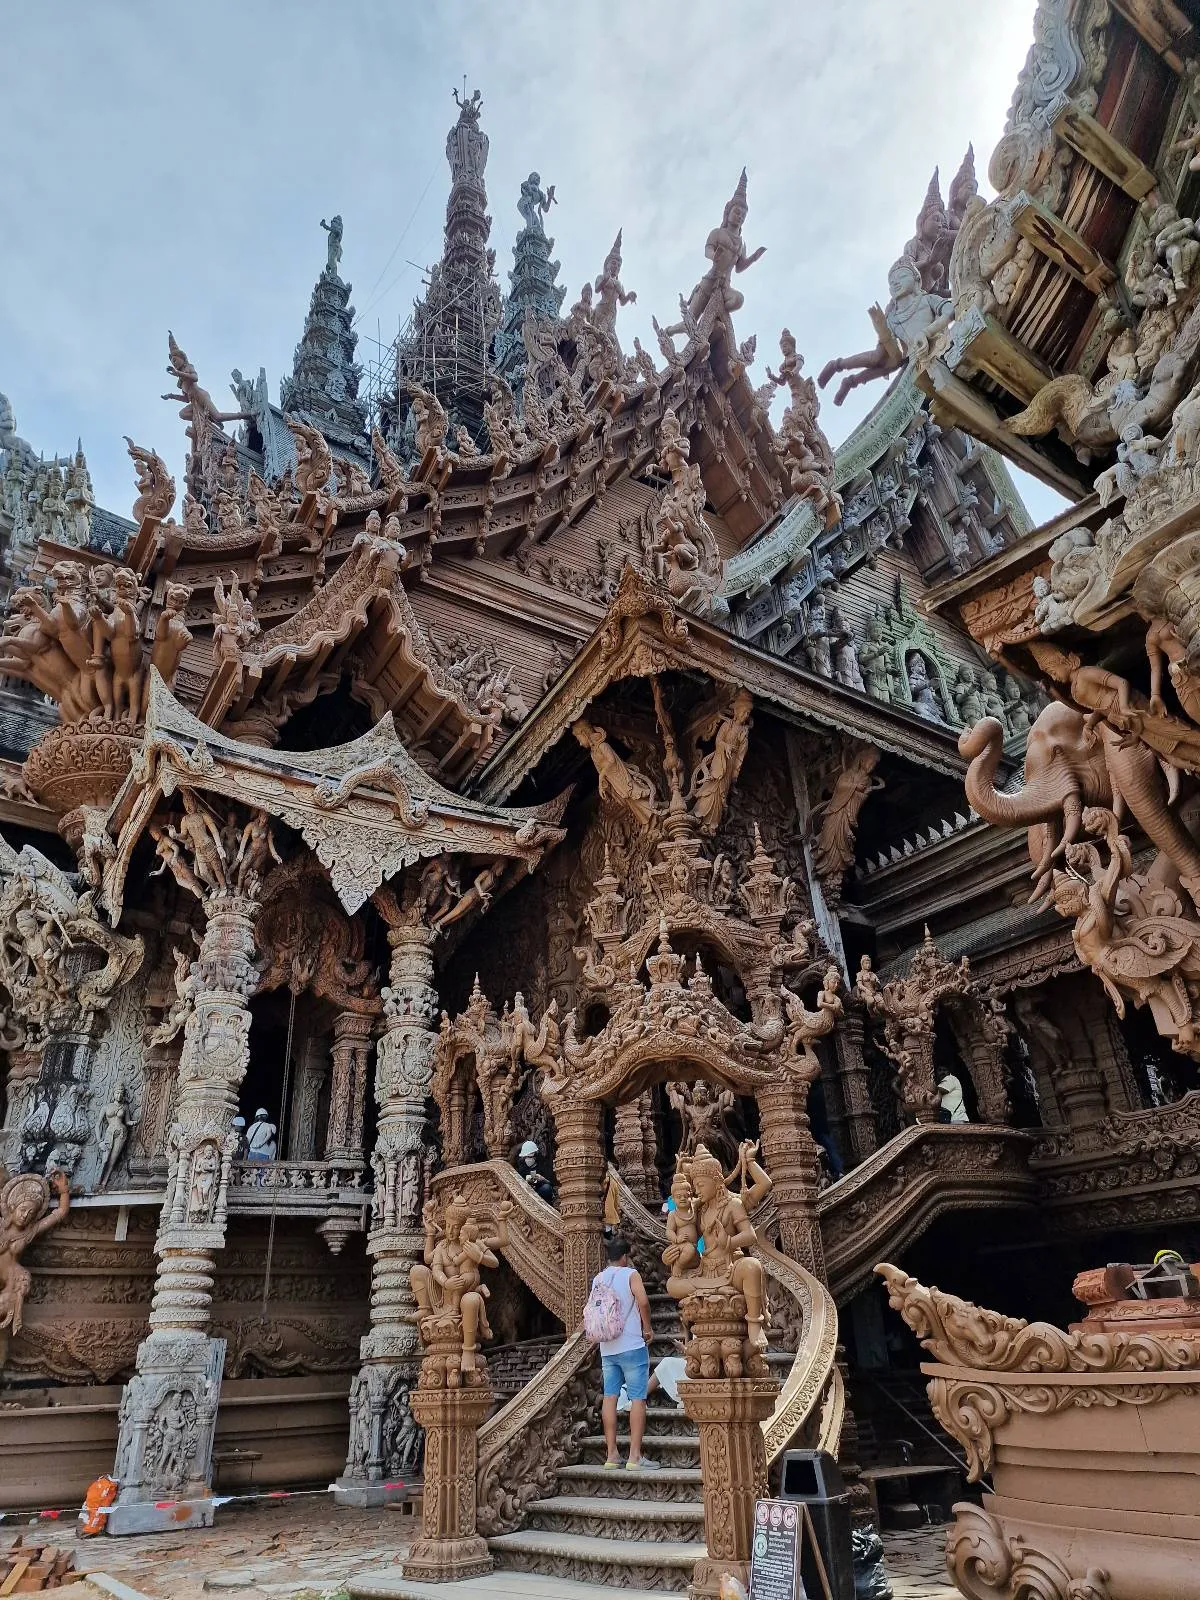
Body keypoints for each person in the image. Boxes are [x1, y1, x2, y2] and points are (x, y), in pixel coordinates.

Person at [592, 1237, 659, 1471]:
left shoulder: (598, 1278)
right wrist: (647, 1328)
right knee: (637, 1398)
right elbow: (643, 1302)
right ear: (625, 1256)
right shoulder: (631, 1274)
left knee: (610, 1397)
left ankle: (611, 1454)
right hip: (631, 1345)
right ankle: (634, 1456)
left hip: (607, 1347)